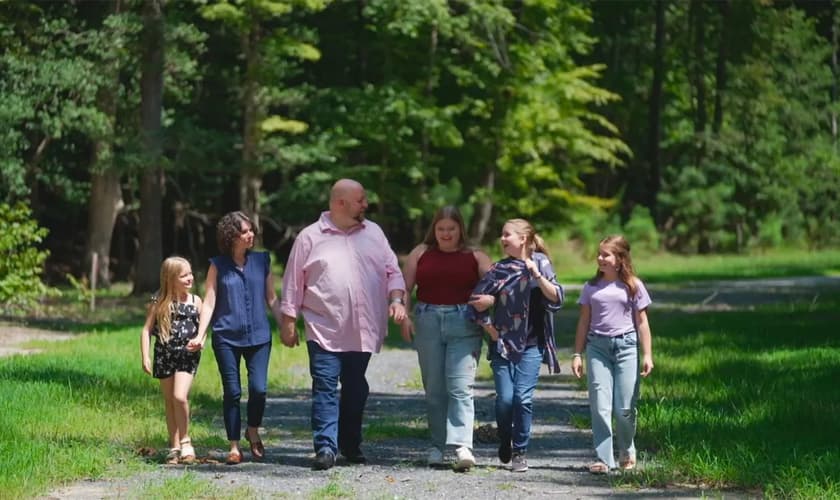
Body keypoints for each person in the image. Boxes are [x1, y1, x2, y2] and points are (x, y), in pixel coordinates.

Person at [280, 178, 407, 471]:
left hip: (362, 330)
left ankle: (350, 443)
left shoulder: (373, 232)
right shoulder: (310, 237)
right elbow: (292, 282)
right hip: (323, 328)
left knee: (355, 388)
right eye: (360, 199)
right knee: (324, 385)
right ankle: (326, 446)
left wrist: (398, 299)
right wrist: (289, 321)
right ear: (340, 203)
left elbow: (393, 271)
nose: (366, 204)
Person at [399, 206, 492, 471]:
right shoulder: (421, 253)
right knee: (435, 389)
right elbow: (404, 287)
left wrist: (491, 300)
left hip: (464, 322)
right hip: (427, 320)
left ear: (460, 229)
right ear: (434, 230)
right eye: (441, 229)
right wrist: (403, 315)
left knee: (461, 386)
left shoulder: (476, 256)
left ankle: (463, 446)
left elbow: (500, 285)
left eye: (451, 228)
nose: (446, 234)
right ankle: (437, 446)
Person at [468, 218, 564, 473]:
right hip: (503, 345)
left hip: (533, 345)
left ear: (523, 239)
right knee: (505, 400)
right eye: (502, 234)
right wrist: (490, 328)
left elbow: (557, 298)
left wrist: (537, 275)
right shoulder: (499, 268)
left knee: (522, 399)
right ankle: (504, 438)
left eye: (507, 234)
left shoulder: (541, 263)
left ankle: (520, 450)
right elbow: (475, 302)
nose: (502, 238)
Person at [192, 211, 286, 465]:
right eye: (245, 231)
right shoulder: (217, 265)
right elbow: (209, 301)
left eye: (251, 230)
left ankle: (252, 429)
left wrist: (285, 326)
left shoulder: (262, 261)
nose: (251, 235)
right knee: (232, 392)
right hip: (226, 336)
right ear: (231, 235)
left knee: (259, 389)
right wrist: (201, 334)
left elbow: (272, 298)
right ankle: (234, 445)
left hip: (259, 336)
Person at [571, 235, 654, 474]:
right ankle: (603, 458)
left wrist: (647, 354)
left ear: (620, 259)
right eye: (599, 254)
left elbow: (642, 323)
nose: (600, 258)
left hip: (626, 347)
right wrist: (577, 353)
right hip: (597, 347)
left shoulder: (633, 285)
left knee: (624, 408)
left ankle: (627, 449)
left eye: (606, 254)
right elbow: (583, 322)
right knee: (600, 404)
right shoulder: (591, 287)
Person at [140, 256, 203, 465]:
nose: (189, 278)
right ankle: (174, 446)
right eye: (183, 275)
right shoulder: (158, 303)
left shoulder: (195, 302)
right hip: (164, 356)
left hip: (187, 357)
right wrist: (145, 356)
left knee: (179, 397)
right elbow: (146, 330)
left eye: (190, 273)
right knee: (169, 402)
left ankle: (186, 441)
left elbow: (203, 330)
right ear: (170, 279)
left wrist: (200, 340)